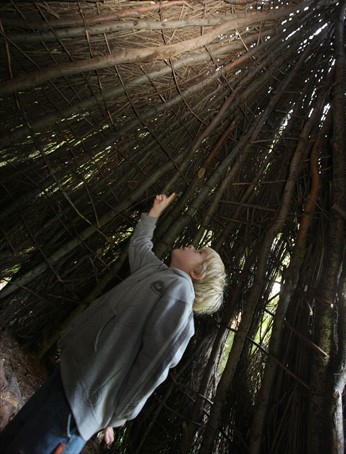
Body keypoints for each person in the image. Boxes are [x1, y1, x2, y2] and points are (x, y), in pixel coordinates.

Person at [0, 193, 226, 453]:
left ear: (196, 274)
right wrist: (154, 213)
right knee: (16, 436)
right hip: (70, 376)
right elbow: (140, 245)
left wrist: (118, 415)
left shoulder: (180, 292)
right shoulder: (157, 272)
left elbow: (154, 364)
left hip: (84, 401)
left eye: (198, 252)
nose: (191, 246)